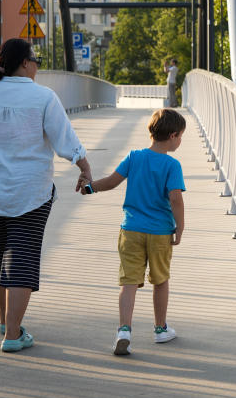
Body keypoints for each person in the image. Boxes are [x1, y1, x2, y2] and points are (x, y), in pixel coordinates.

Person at [0, 38, 92, 353]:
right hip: (31, 193)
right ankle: (13, 334)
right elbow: (67, 142)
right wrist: (85, 170)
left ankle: (6, 317)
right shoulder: (43, 97)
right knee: (21, 259)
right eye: (35, 58)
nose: (37, 65)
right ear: (24, 63)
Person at [79, 108, 186, 356]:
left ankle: (124, 329)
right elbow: (175, 199)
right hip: (159, 232)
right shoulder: (172, 165)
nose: (180, 141)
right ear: (172, 135)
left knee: (128, 282)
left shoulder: (134, 157)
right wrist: (180, 229)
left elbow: (112, 181)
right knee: (160, 280)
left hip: (131, 230)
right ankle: (160, 329)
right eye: (180, 136)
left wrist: (89, 189)